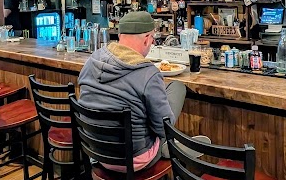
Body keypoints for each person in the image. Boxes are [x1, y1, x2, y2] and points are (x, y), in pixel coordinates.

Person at [77, 11, 208, 170]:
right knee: (177, 89)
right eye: (152, 39)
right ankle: (168, 147)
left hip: (96, 152)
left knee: (156, 100)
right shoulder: (147, 73)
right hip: (134, 160)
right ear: (147, 39)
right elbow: (162, 127)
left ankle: (170, 145)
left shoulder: (92, 60)